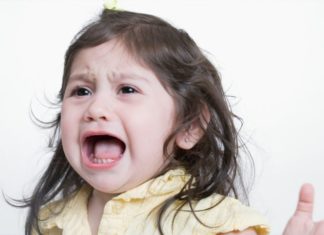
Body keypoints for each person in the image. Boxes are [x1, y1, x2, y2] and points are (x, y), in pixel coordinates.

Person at [14, 5, 323, 235]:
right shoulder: (49, 222)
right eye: (81, 90)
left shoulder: (209, 221)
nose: (96, 108)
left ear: (189, 126)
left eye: (127, 89)